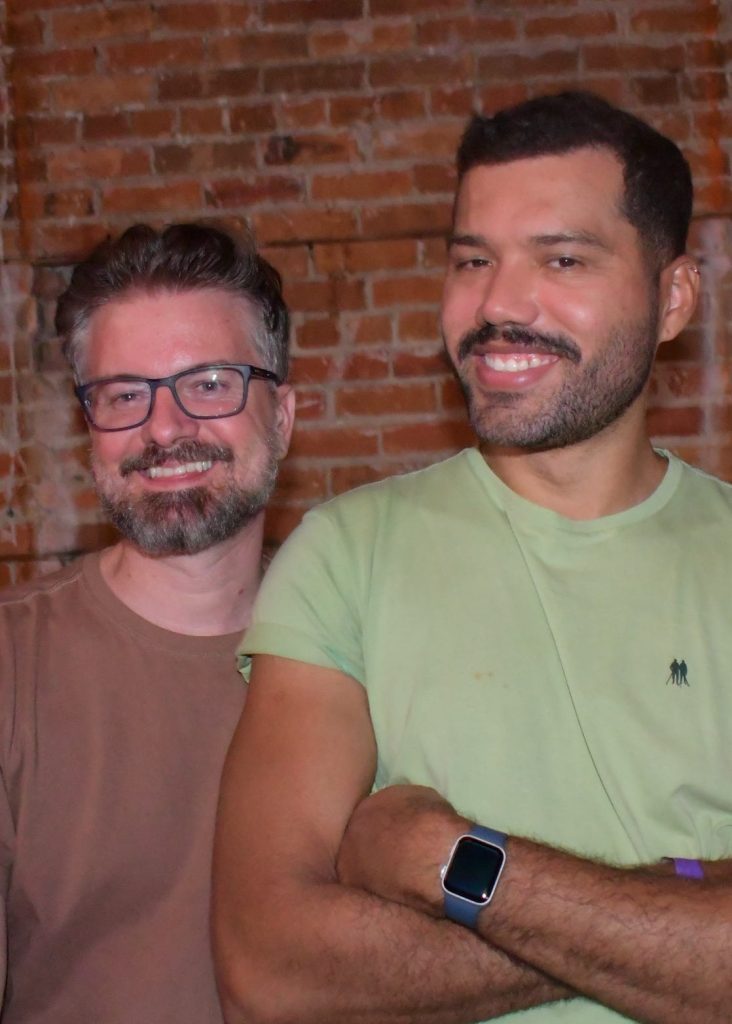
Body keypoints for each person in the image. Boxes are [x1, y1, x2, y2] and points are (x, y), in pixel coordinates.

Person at [213, 91, 732, 1024]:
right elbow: (272, 972)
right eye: (472, 260)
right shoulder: (346, 557)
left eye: (562, 258)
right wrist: (676, 913)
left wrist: (449, 863)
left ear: (674, 299)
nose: (498, 304)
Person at [0, 222, 294, 1023]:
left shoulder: (367, 652)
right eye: (126, 394)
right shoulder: (13, 666)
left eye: (210, 383)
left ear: (283, 416)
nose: (164, 430)